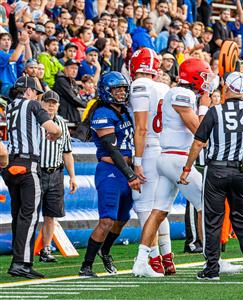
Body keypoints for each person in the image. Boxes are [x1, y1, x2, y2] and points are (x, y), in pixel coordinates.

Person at [178, 47, 243, 280]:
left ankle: (212, 268)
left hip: (216, 170)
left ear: (225, 89)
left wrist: (186, 169)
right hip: (241, 172)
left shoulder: (215, 112)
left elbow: (197, 143)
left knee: (213, 220)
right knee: (241, 218)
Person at [132, 58, 215, 277]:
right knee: (205, 204)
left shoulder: (178, 93)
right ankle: (211, 259)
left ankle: (141, 261)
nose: (206, 81)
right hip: (176, 158)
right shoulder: (183, 94)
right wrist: (206, 105)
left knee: (158, 211)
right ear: (195, 76)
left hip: (166, 156)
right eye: (204, 76)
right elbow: (200, 131)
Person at [79, 71, 141, 277]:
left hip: (125, 170)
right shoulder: (102, 114)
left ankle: (105, 251)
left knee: (122, 219)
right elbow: (112, 150)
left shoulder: (123, 111)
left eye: (124, 88)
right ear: (107, 91)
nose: (122, 92)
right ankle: (86, 266)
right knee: (106, 220)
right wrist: (131, 175)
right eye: (117, 89)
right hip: (111, 171)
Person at [4, 76, 62, 279]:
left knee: (18, 215)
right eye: (36, 92)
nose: (37, 96)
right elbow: (54, 129)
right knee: (29, 216)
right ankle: (21, 262)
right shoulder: (32, 105)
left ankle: (18, 259)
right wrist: (55, 134)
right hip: (29, 165)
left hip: (10, 164)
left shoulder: (10, 107)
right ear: (29, 91)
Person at [128, 48, 174, 275]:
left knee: (146, 207)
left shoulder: (139, 86)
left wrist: (137, 161)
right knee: (160, 205)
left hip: (148, 150)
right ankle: (167, 257)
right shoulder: (164, 87)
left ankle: (153, 260)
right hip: (165, 149)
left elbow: (142, 128)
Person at [38, 90, 78, 263]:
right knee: (30, 213)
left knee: (50, 214)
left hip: (55, 172)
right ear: (42, 103)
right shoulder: (35, 121)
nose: (51, 105)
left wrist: (73, 176)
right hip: (37, 172)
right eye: (48, 102)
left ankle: (46, 249)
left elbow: (67, 152)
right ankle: (23, 251)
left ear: (58, 105)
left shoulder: (62, 123)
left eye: (54, 103)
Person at [53, 59, 85, 124]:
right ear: (65, 69)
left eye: (76, 68)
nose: (74, 71)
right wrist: (88, 105)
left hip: (72, 116)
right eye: (72, 68)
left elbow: (78, 96)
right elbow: (73, 98)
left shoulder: (72, 82)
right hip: (65, 117)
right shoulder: (61, 81)